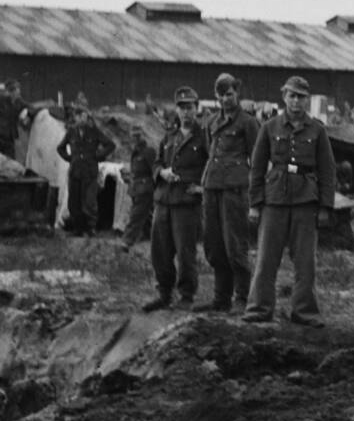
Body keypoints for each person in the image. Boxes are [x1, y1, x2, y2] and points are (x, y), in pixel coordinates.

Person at [243, 76, 336, 327]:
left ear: (308, 100)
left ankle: (305, 312)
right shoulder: (270, 127)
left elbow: (328, 171)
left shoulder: (317, 130)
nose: (296, 101)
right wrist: (255, 203)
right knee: (266, 259)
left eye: (301, 97)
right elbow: (257, 167)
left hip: (306, 201)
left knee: (305, 262)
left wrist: (326, 206)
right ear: (284, 97)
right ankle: (259, 308)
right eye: (292, 96)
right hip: (274, 200)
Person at [199, 74, 261, 313]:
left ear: (237, 94)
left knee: (235, 245)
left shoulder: (248, 123)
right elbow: (210, 153)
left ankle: (242, 298)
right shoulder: (212, 122)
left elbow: (257, 160)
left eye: (229, 94)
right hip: (212, 187)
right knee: (214, 245)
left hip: (235, 190)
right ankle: (220, 298)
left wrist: (256, 196)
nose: (225, 99)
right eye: (221, 95)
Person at [144, 88, 209, 312]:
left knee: (185, 252)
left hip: (186, 203)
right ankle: (164, 293)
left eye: (190, 107)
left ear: (197, 109)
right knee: (159, 250)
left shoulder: (204, 137)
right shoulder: (169, 136)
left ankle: (186, 295)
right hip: (164, 200)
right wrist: (161, 173)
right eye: (181, 108)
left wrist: (202, 188)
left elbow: (213, 166)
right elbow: (156, 162)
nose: (185, 112)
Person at [55, 106, 116, 236]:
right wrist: (70, 158)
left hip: (90, 172)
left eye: (85, 116)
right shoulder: (71, 132)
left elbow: (110, 145)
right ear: (75, 117)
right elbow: (60, 148)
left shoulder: (94, 132)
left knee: (89, 202)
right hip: (75, 172)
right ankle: (78, 228)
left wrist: (98, 156)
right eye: (80, 116)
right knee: (74, 202)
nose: (83, 119)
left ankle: (90, 228)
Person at [118, 123, 158, 251]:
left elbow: (155, 170)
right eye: (133, 136)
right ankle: (147, 236)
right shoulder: (135, 152)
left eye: (137, 136)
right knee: (146, 216)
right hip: (136, 188)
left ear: (141, 136)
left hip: (145, 188)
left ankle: (127, 241)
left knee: (137, 215)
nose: (134, 139)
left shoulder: (148, 152)